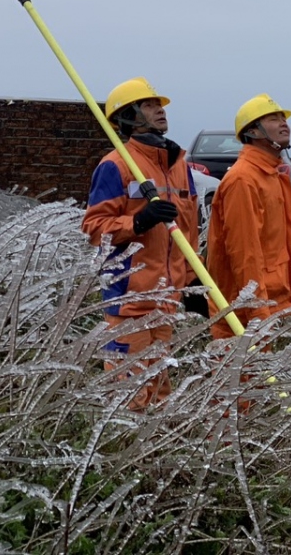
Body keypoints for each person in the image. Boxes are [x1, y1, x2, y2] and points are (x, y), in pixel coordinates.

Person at [81, 77, 199, 411]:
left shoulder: (179, 165)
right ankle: (120, 453)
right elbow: (94, 226)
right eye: (149, 105)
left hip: (167, 298)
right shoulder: (115, 165)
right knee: (127, 394)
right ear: (128, 116)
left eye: (158, 104)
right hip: (129, 300)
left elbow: (188, 229)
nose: (160, 110)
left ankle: (153, 458)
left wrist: (191, 281)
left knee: (160, 390)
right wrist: (138, 221)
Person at [206, 94, 291, 341]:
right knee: (239, 380)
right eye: (273, 118)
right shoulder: (243, 180)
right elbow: (245, 252)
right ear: (254, 131)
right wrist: (257, 312)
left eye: (283, 117)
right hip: (243, 316)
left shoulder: (272, 175)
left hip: (267, 307)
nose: (283, 123)